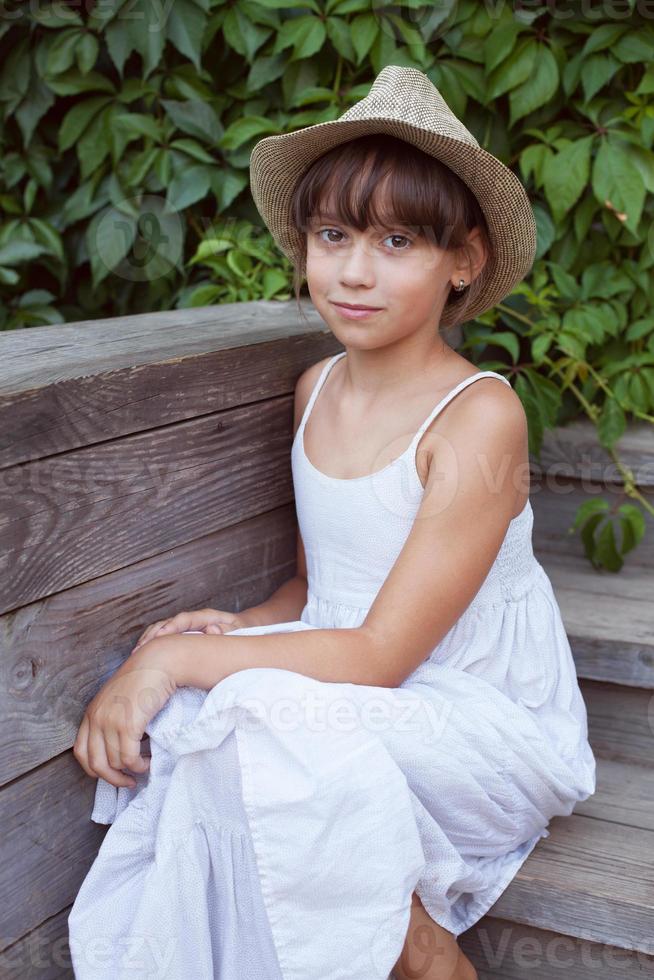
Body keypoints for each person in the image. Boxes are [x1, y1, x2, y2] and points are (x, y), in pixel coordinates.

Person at [67, 66, 596, 980]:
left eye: (397, 240)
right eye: (333, 234)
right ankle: (401, 939)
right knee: (214, 704)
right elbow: (319, 591)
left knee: (231, 706)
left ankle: (431, 962)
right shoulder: (316, 391)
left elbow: (385, 651)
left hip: (475, 716)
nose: (353, 270)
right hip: (361, 677)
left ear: (463, 258)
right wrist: (237, 627)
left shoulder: (479, 416)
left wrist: (169, 660)